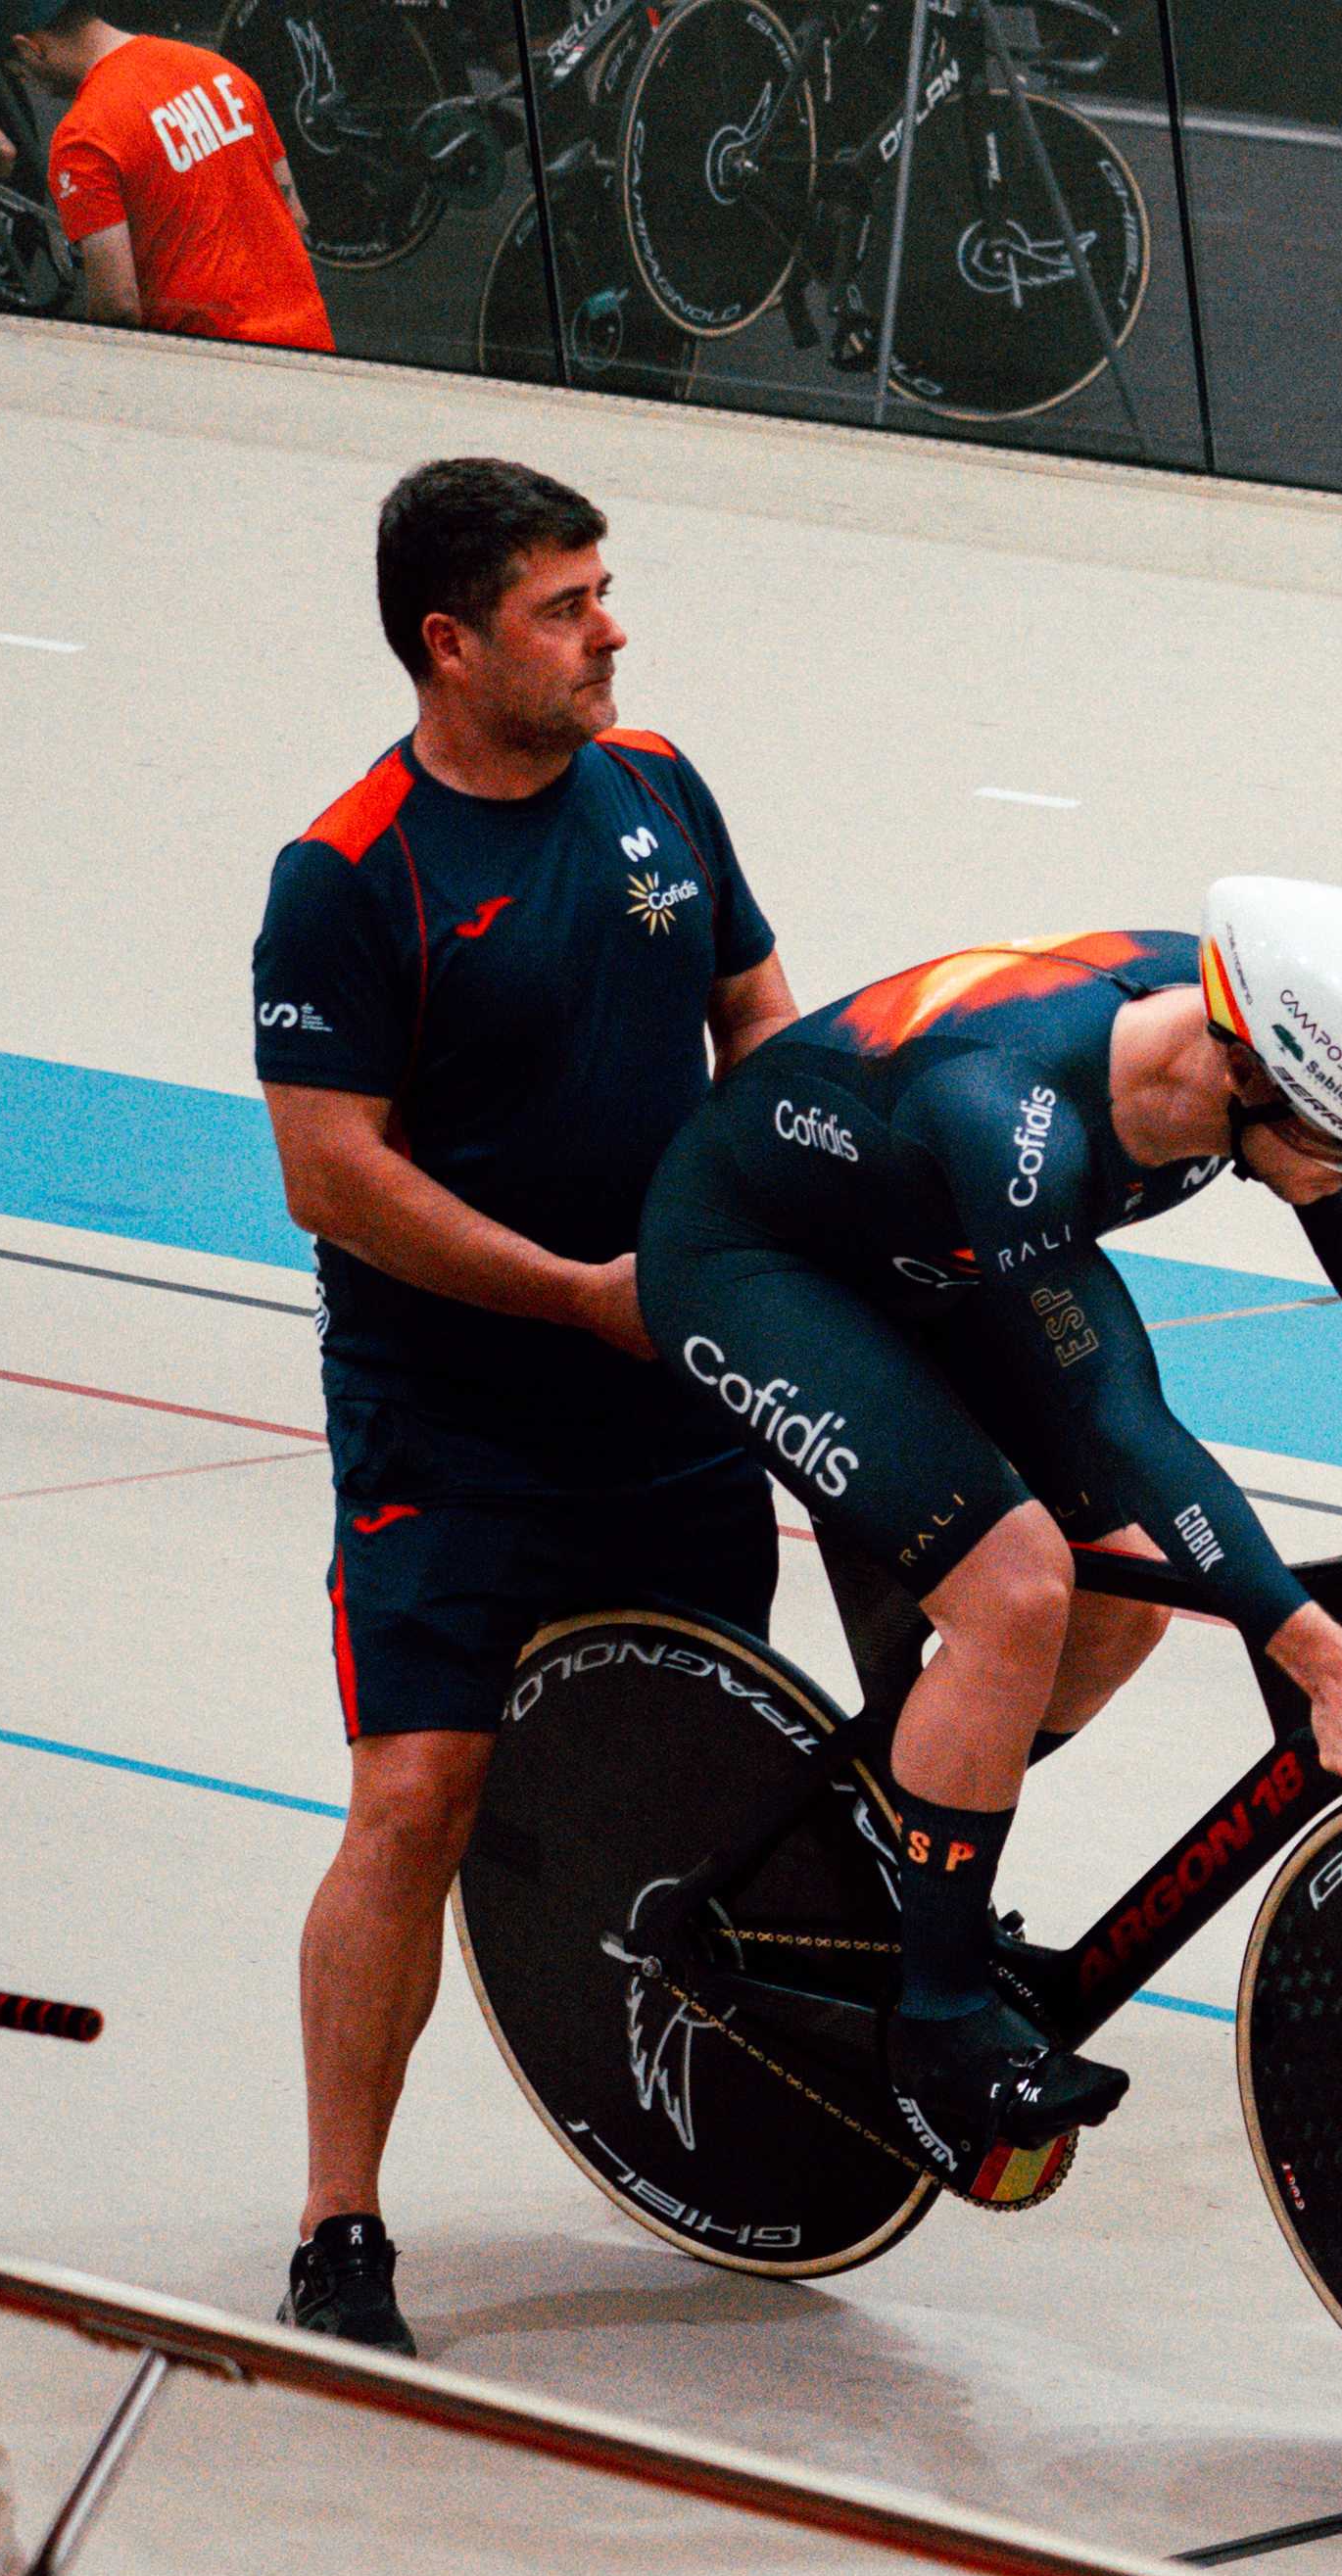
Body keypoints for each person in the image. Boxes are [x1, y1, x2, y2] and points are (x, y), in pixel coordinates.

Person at [636, 884, 1342, 2198]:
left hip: (936, 1253)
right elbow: (1122, 1415)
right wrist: (1316, 1655)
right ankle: (937, 2014)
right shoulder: (1012, 1113)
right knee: (1018, 1590)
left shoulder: (1266, 1044)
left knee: (1123, 1598)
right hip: (756, 1261)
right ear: (1242, 1069)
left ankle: (907, 1827)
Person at [256, 459, 797, 2354]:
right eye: (567, 606)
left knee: (722, 1779)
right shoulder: (347, 876)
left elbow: (760, 1025)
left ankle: (751, 2116)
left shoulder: (656, 789)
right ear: (451, 640)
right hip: (455, 1426)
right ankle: (340, 2222)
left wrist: (776, 1227)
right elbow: (334, 1173)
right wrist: (576, 1292)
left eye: (605, 588)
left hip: (673, 1403)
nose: (610, 628)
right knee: (417, 1794)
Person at [0, 0, 327, 349]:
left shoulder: (84, 136)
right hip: (307, 341)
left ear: (29, 48)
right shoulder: (219, 71)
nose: (28, 83)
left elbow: (117, 306)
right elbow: (295, 219)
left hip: (210, 367)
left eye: (18, 73)